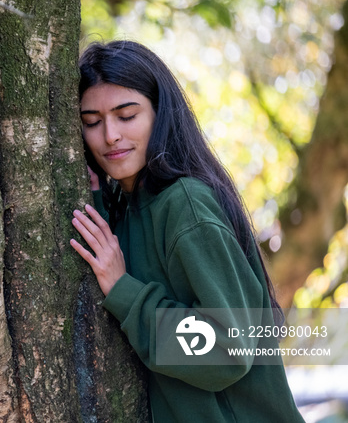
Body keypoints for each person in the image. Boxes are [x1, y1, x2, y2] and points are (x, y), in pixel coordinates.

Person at [70, 40, 305, 422]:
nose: (109, 135)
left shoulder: (186, 205)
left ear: (160, 114)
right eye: (92, 122)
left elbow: (228, 350)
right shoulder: (129, 208)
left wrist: (125, 294)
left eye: (127, 116)